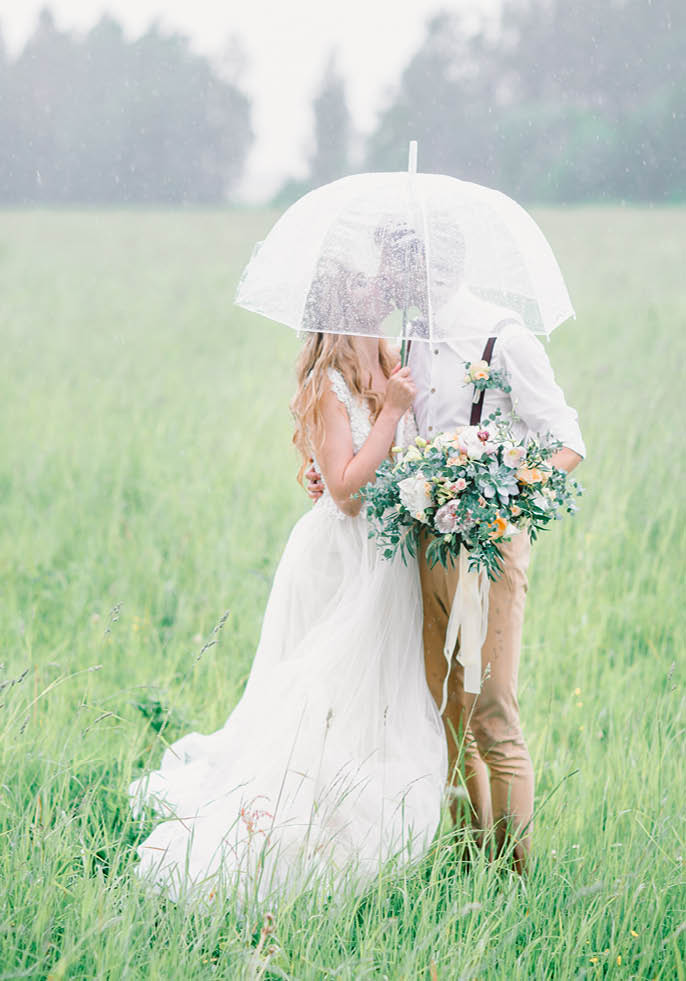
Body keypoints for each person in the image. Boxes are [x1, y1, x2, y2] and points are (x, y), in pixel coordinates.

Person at [128, 267, 448, 908]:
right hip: (343, 558)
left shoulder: (391, 359)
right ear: (341, 306)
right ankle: (296, 819)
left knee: (379, 694)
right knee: (323, 689)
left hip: (390, 559)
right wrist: (388, 415)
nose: (380, 290)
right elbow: (347, 491)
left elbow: (377, 460)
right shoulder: (327, 383)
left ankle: (377, 811)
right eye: (364, 286)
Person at [306, 237, 586, 874]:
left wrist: (500, 498)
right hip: (421, 547)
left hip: (488, 547)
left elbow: (567, 444)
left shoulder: (504, 339)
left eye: (391, 265)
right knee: (445, 713)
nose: (382, 278)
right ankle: (468, 867)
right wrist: (329, 473)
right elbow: (388, 439)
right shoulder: (406, 341)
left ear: (427, 267)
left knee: (491, 711)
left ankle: (513, 880)